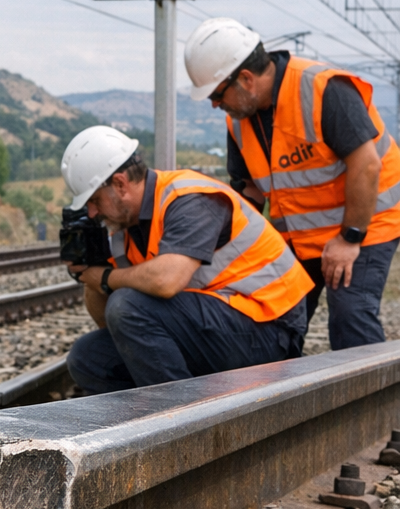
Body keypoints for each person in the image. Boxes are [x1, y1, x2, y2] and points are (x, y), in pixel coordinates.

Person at [185, 17, 400, 351]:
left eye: (216, 93)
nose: (215, 104)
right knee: (277, 313)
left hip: (368, 220)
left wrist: (349, 238)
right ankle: (280, 381)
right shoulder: (239, 121)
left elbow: (367, 165)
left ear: (246, 79)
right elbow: (248, 192)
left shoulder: (323, 89)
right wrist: (217, 244)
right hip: (299, 236)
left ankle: (373, 386)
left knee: (350, 313)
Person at [61, 126, 312, 394]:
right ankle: (151, 413)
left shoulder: (190, 198)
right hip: (214, 327)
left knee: (127, 305)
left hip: (270, 328)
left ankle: (179, 414)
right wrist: (89, 272)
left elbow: (166, 281)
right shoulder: (123, 231)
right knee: (87, 357)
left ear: (121, 184)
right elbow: (107, 322)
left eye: (95, 200)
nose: (92, 212)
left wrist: (105, 277)